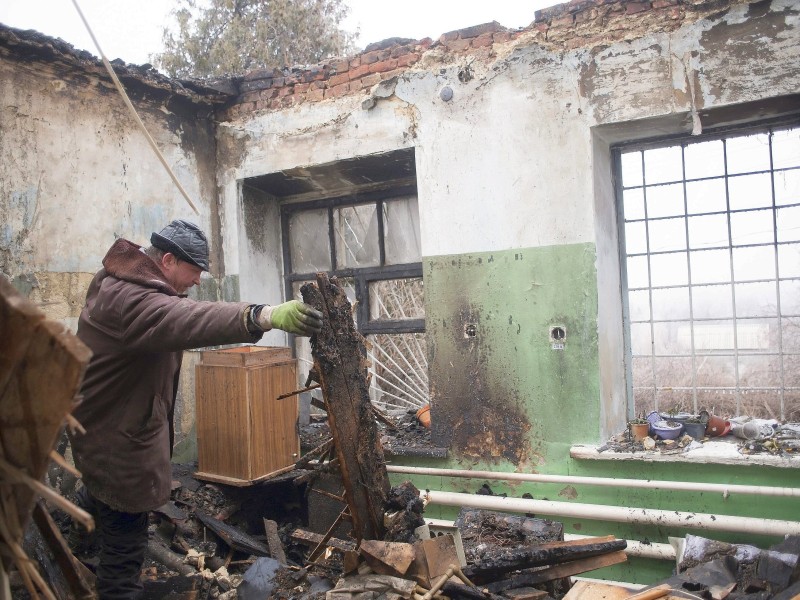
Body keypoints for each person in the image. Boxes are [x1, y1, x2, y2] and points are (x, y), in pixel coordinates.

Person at [68, 219, 322, 599]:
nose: (198, 281)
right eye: (195, 270)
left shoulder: (126, 283)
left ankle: (79, 533)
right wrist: (261, 316)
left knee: (99, 493)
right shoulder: (131, 301)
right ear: (168, 260)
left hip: (106, 428)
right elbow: (187, 318)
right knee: (123, 554)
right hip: (118, 444)